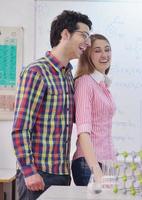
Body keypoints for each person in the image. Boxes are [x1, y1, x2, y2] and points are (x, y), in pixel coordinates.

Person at [11, 10, 92, 199]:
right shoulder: (36, 72)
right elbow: (20, 128)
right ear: (65, 34)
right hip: (38, 175)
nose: (87, 43)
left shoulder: (67, 75)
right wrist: (29, 172)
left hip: (62, 174)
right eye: (84, 35)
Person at [71, 34, 116, 186]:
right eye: (97, 50)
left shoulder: (102, 85)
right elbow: (83, 132)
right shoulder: (85, 83)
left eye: (107, 49)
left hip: (105, 163)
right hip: (89, 165)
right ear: (88, 55)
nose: (104, 55)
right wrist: (97, 173)